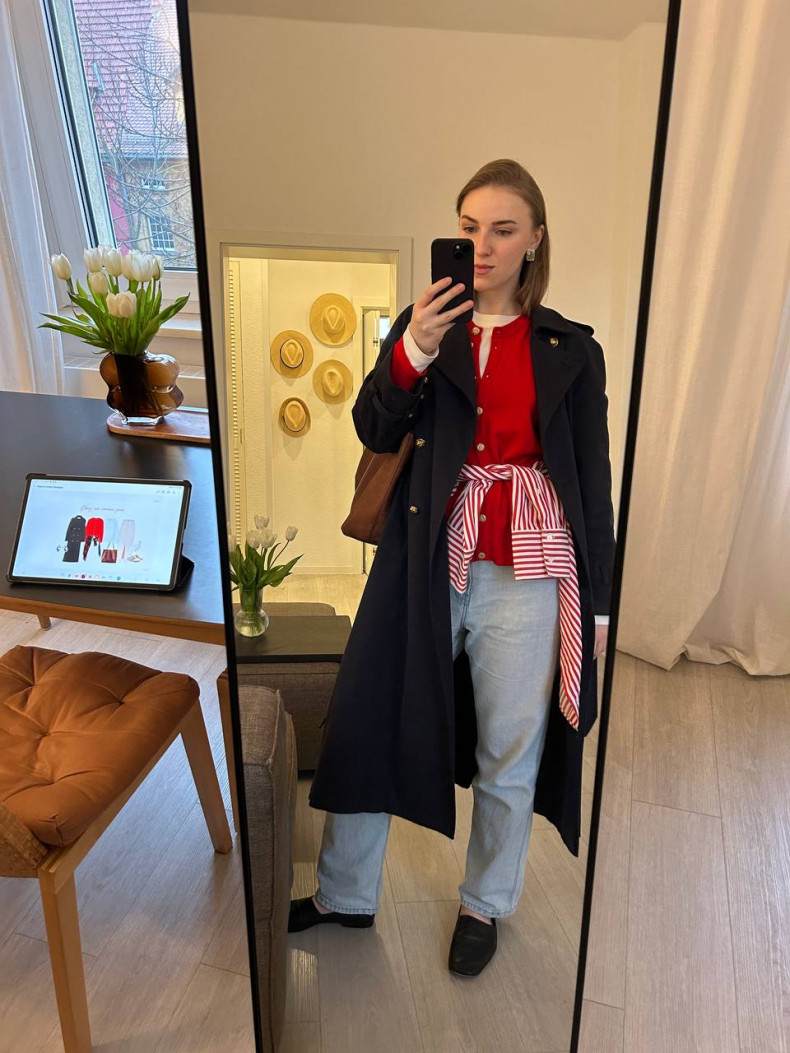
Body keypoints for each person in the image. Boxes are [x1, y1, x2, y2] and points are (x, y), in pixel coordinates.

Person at [293, 158, 616, 977]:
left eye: (503, 229)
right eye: (469, 227)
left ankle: (484, 904)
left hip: (530, 567)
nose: (483, 245)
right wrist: (413, 349)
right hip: (427, 554)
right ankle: (344, 893)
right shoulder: (425, 324)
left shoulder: (571, 350)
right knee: (369, 716)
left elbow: (593, 483)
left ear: (535, 239)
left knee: (511, 744)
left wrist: (601, 606)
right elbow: (375, 426)